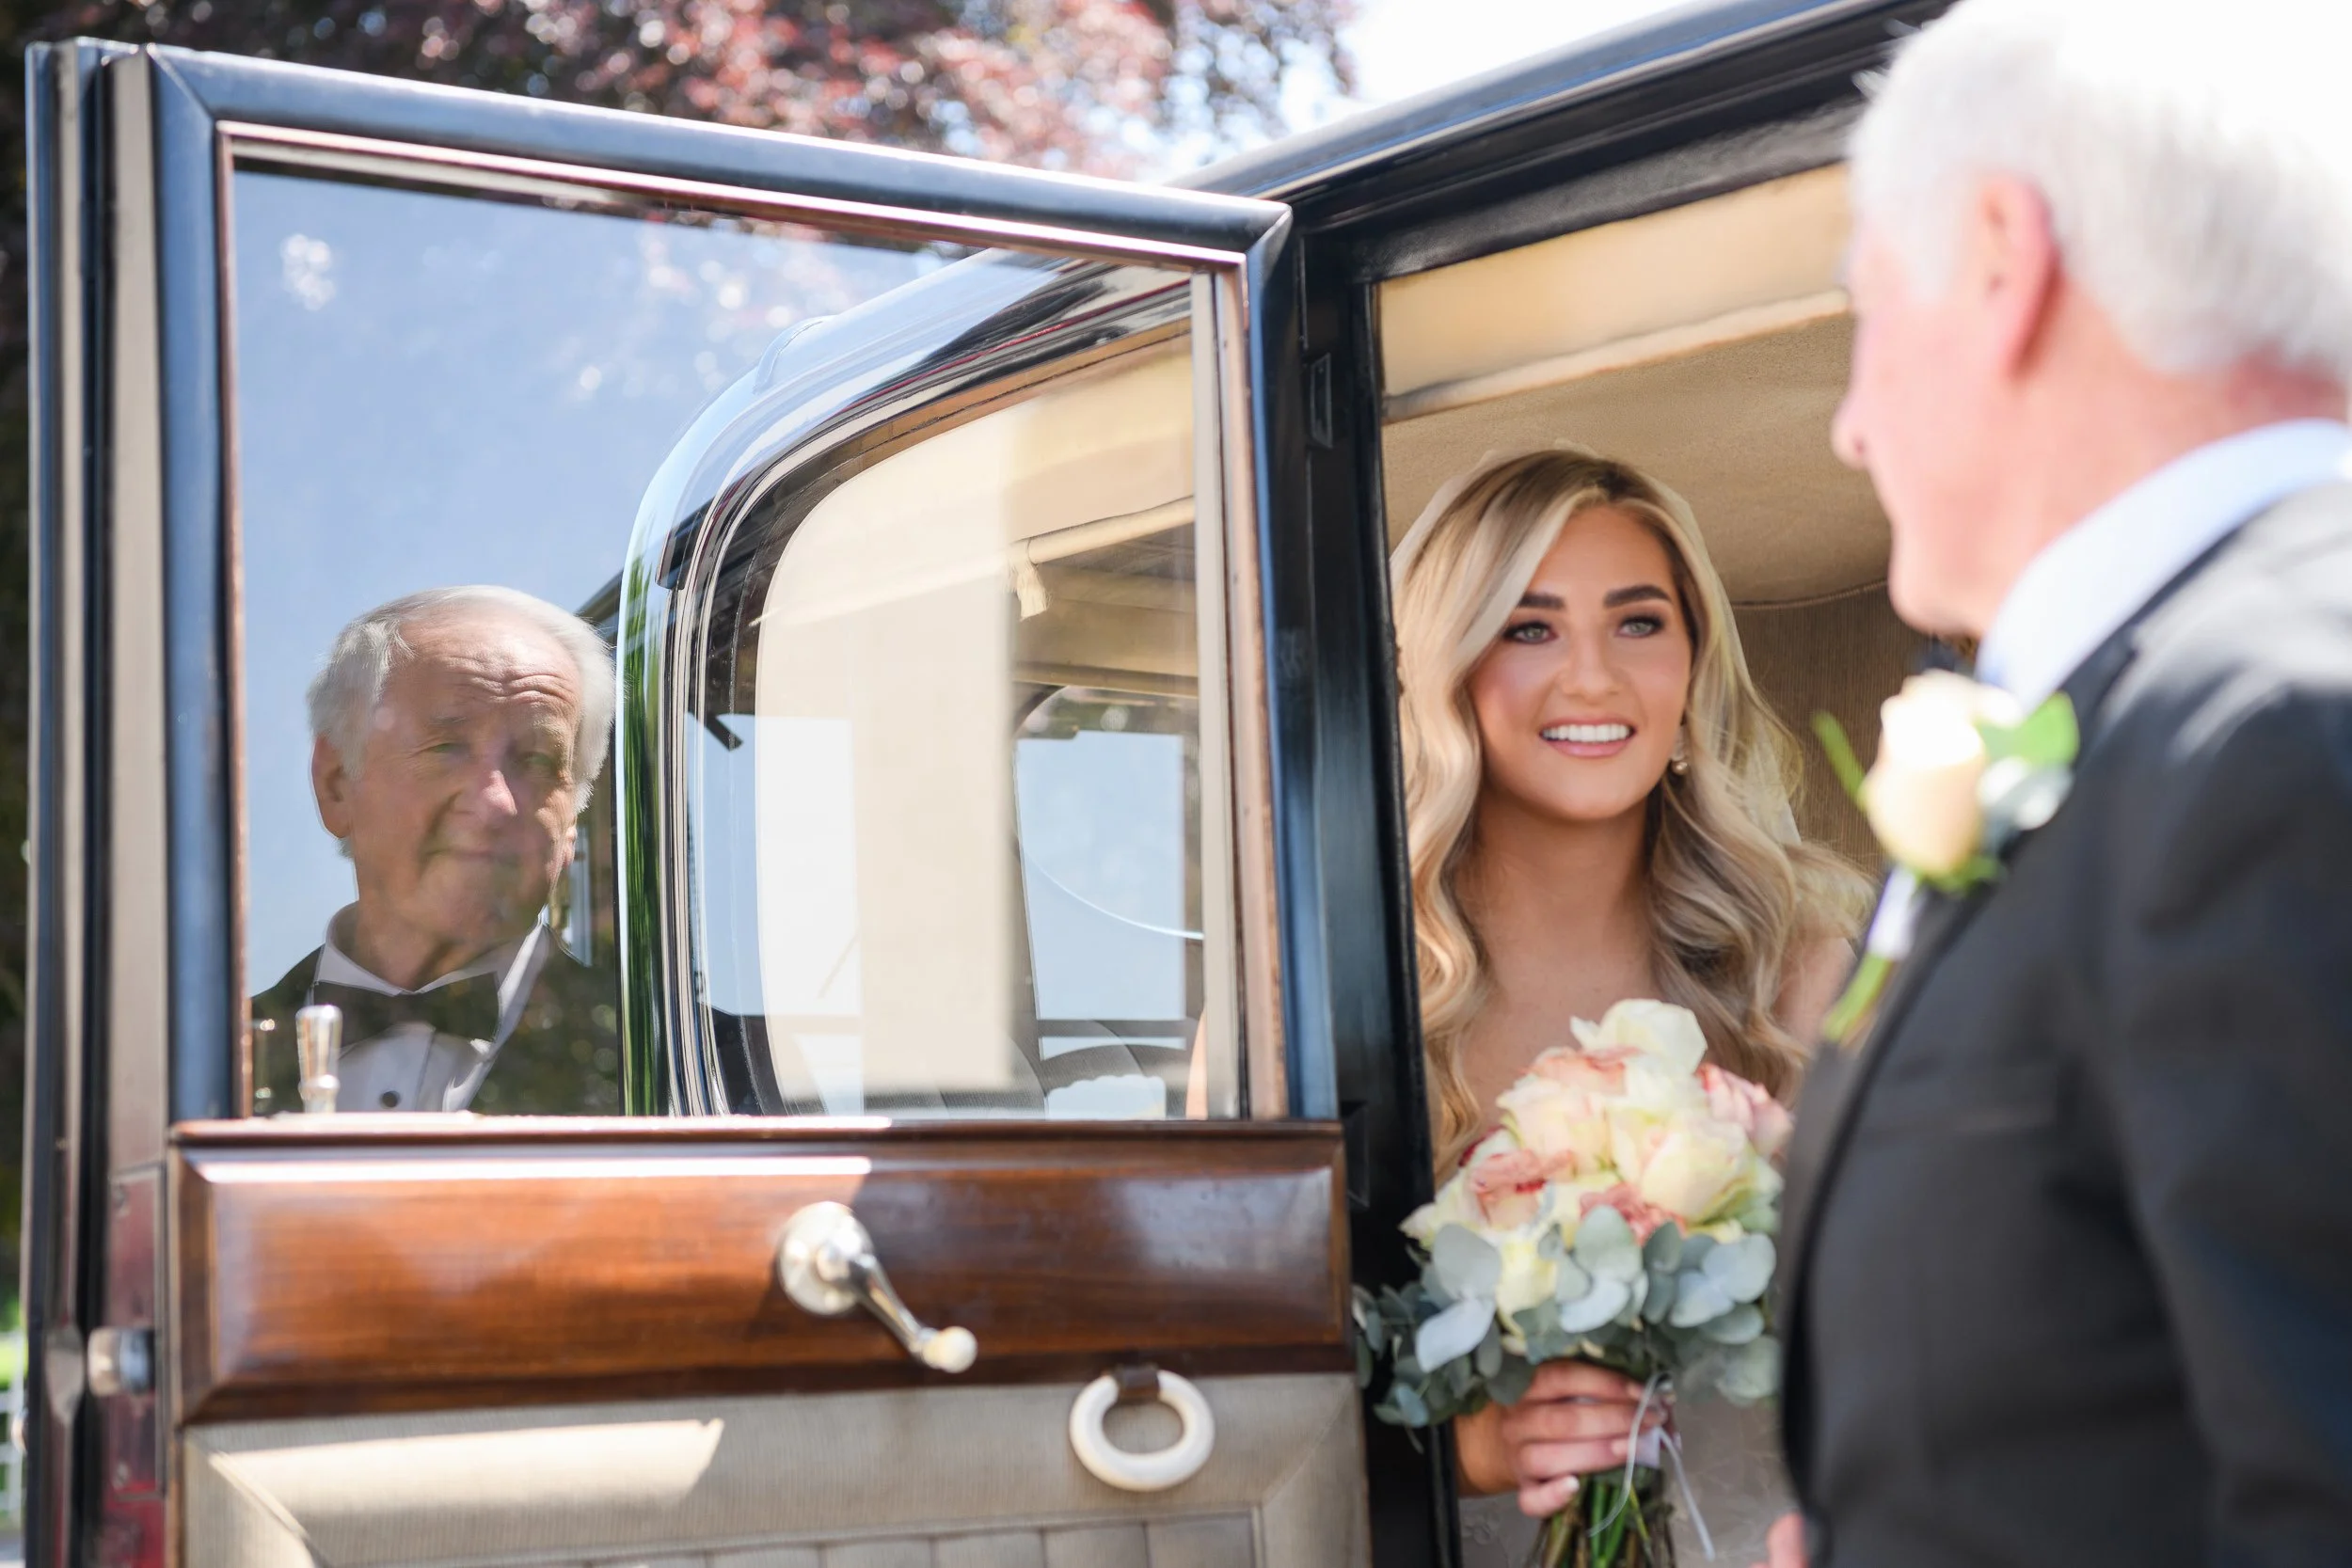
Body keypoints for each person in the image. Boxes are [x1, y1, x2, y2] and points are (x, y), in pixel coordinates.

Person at [1767, 2, 2352, 1565]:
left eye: (1867, 312)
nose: (1850, 418)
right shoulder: (2142, 722)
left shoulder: (2284, 730)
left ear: (2002, 257)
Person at [1391, 447, 1867, 1566]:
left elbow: (1917, 1319)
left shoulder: (1799, 974)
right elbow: (1258, 1390)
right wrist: (1471, 1445)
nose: (1594, 678)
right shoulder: (1333, 992)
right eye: (1529, 625)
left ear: (1693, 664)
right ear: (1446, 668)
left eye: (1639, 622)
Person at [249, 585, 622, 1116]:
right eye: (447, 748)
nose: (496, 802)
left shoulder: (693, 1067)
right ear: (336, 783)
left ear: (572, 821)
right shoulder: (184, 1071)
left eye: (538, 760)